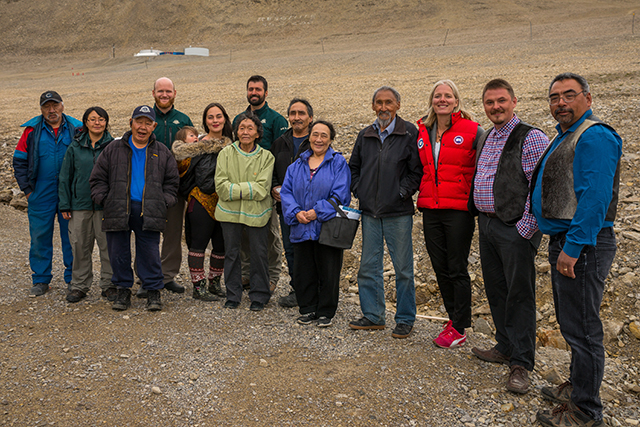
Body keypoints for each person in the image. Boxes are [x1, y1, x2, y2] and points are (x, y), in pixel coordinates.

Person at [532, 73, 622, 427]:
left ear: (588, 98)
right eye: (554, 98)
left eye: (569, 96)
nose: (560, 103)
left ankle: (585, 412)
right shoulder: (567, 135)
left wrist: (573, 247)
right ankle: (578, 389)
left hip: (583, 245)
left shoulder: (595, 136)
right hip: (569, 242)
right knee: (573, 325)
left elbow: (596, 198)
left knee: (583, 330)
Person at [469, 79, 549, 394]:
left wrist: (525, 228)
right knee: (497, 289)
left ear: (514, 101)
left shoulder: (530, 137)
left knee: (520, 295)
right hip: (488, 226)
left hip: (514, 227)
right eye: (490, 102)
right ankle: (504, 345)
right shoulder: (488, 136)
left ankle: (521, 363)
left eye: (501, 100)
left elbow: (538, 187)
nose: (496, 107)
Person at [348, 86, 422, 339]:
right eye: (378, 102)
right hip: (369, 212)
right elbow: (353, 168)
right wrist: (360, 191)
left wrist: (400, 193)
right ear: (373, 106)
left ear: (398, 105)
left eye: (388, 102)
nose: (383, 107)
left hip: (398, 213)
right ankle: (373, 315)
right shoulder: (365, 135)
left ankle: (404, 318)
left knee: (403, 269)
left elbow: (417, 172)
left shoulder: (410, 132)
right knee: (368, 266)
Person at [90, 105, 179, 312]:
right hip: (118, 207)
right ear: (131, 123)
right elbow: (98, 178)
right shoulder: (113, 148)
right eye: (139, 121)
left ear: (154, 126)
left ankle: (153, 291)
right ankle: (123, 290)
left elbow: (172, 182)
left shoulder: (162, 152)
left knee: (149, 252)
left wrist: (163, 201)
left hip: (149, 209)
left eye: (148, 123)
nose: (143, 127)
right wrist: (105, 199)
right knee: (118, 252)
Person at [416, 80, 482, 348]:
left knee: (457, 267)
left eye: (448, 96)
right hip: (431, 208)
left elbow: (484, 165)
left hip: (458, 210)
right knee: (439, 266)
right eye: (437, 96)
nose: (442, 99)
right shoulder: (423, 130)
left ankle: (460, 326)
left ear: (456, 100)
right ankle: (453, 317)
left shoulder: (473, 130)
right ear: (432, 100)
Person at [280, 120, 350, 327]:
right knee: (304, 270)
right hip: (301, 225)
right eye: (315, 134)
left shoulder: (338, 163)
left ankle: (326, 311)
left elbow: (341, 194)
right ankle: (308, 308)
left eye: (324, 135)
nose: (319, 139)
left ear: (330, 139)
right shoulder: (296, 166)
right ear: (309, 137)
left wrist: (316, 212)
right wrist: (296, 212)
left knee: (328, 270)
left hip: (326, 226)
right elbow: (286, 192)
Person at [13, 91, 82, 297]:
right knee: (40, 235)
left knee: (71, 236)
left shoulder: (76, 128)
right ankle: (41, 280)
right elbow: (19, 161)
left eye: (55, 106)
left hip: (68, 192)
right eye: (46, 107)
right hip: (40, 191)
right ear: (41, 108)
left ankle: (73, 279)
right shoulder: (31, 131)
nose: (51, 111)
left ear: (62, 105)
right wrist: (27, 191)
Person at [215, 112, 275, 312]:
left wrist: (235, 189)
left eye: (250, 128)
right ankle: (233, 294)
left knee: (259, 253)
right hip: (228, 214)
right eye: (242, 128)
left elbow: (262, 190)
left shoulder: (266, 157)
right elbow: (221, 188)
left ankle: (259, 295)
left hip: (257, 213)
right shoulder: (225, 154)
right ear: (236, 131)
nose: (245, 132)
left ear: (258, 133)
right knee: (231, 253)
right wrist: (248, 188)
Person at [233, 75, 287, 294]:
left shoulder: (277, 120)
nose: (254, 92)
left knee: (270, 233)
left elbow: (282, 156)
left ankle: (272, 275)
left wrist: (277, 185)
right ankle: (246, 272)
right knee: (245, 231)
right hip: (244, 186)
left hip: (268, 187)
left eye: (258, 89)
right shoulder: (239, 118)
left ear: (266, 92)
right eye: (250, 89)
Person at [172, 104, 232, 301]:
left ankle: (215, 283)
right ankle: (198, 287)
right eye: (210, 117)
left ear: (224, 119)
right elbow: (181, 170)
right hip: (200, 199)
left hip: (224, 200)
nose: (215, 120)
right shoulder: (194, 146)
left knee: (221, 244)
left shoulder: (232, 145)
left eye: (218, 116)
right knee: (198, 243)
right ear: (205, 121)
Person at [58, 106, 116, 303]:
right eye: (92, 119)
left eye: (101, 119)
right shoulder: (75, 147)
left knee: (108, 247)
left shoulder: (114, 146)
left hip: (105, 207)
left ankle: (109, 285)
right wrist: (65, 204)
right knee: (80, 246)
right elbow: (66, 177)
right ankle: (79, 286)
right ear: (85, 122)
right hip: (79, 205)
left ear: (106, 122)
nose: (97, 122)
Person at [148, 77, 194, 296]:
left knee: (173, 232)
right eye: (160, 91)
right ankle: (147, 275)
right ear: (153, 93)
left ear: (175, 93)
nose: (164, 95)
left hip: (175, 187)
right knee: (146, 232)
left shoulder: (182, 120)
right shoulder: (146, 117)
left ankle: (167, 275)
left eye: (168, 91)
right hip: (148, 186)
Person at [270, 98, 314, 308]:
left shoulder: (317, 140)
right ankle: (298, 290)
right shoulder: (280, 142)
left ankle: (314, 290)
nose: (297, 117)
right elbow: (272, 172)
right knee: (291, 250)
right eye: (293, 113)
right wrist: (275, 187)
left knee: (312, 249)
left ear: (310, 117)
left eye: (301, 113)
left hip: (312, 208)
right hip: (287, 208)